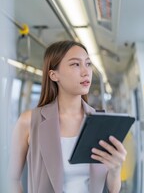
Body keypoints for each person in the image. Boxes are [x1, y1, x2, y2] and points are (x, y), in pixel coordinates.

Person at [9, 40, 127, 193]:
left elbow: (113, 189)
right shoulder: (29, 121)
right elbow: (11, 179)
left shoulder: (101, 122)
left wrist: (116, 169)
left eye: (88, 64)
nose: (86, 72)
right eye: (75, 64)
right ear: (53, 75)